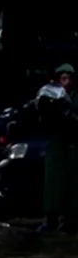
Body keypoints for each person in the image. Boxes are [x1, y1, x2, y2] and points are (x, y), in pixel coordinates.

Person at [36, 63, 78, 233]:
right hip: (56, 143)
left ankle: (71, 220)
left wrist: (67, 109)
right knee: (53, 182)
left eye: (68, 78)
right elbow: (42, 118)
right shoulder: (49, 95)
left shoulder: (74, 97)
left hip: (73, 143)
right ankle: (51, 219)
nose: (65, 81)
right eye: (62, 78)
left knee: (73, 184)